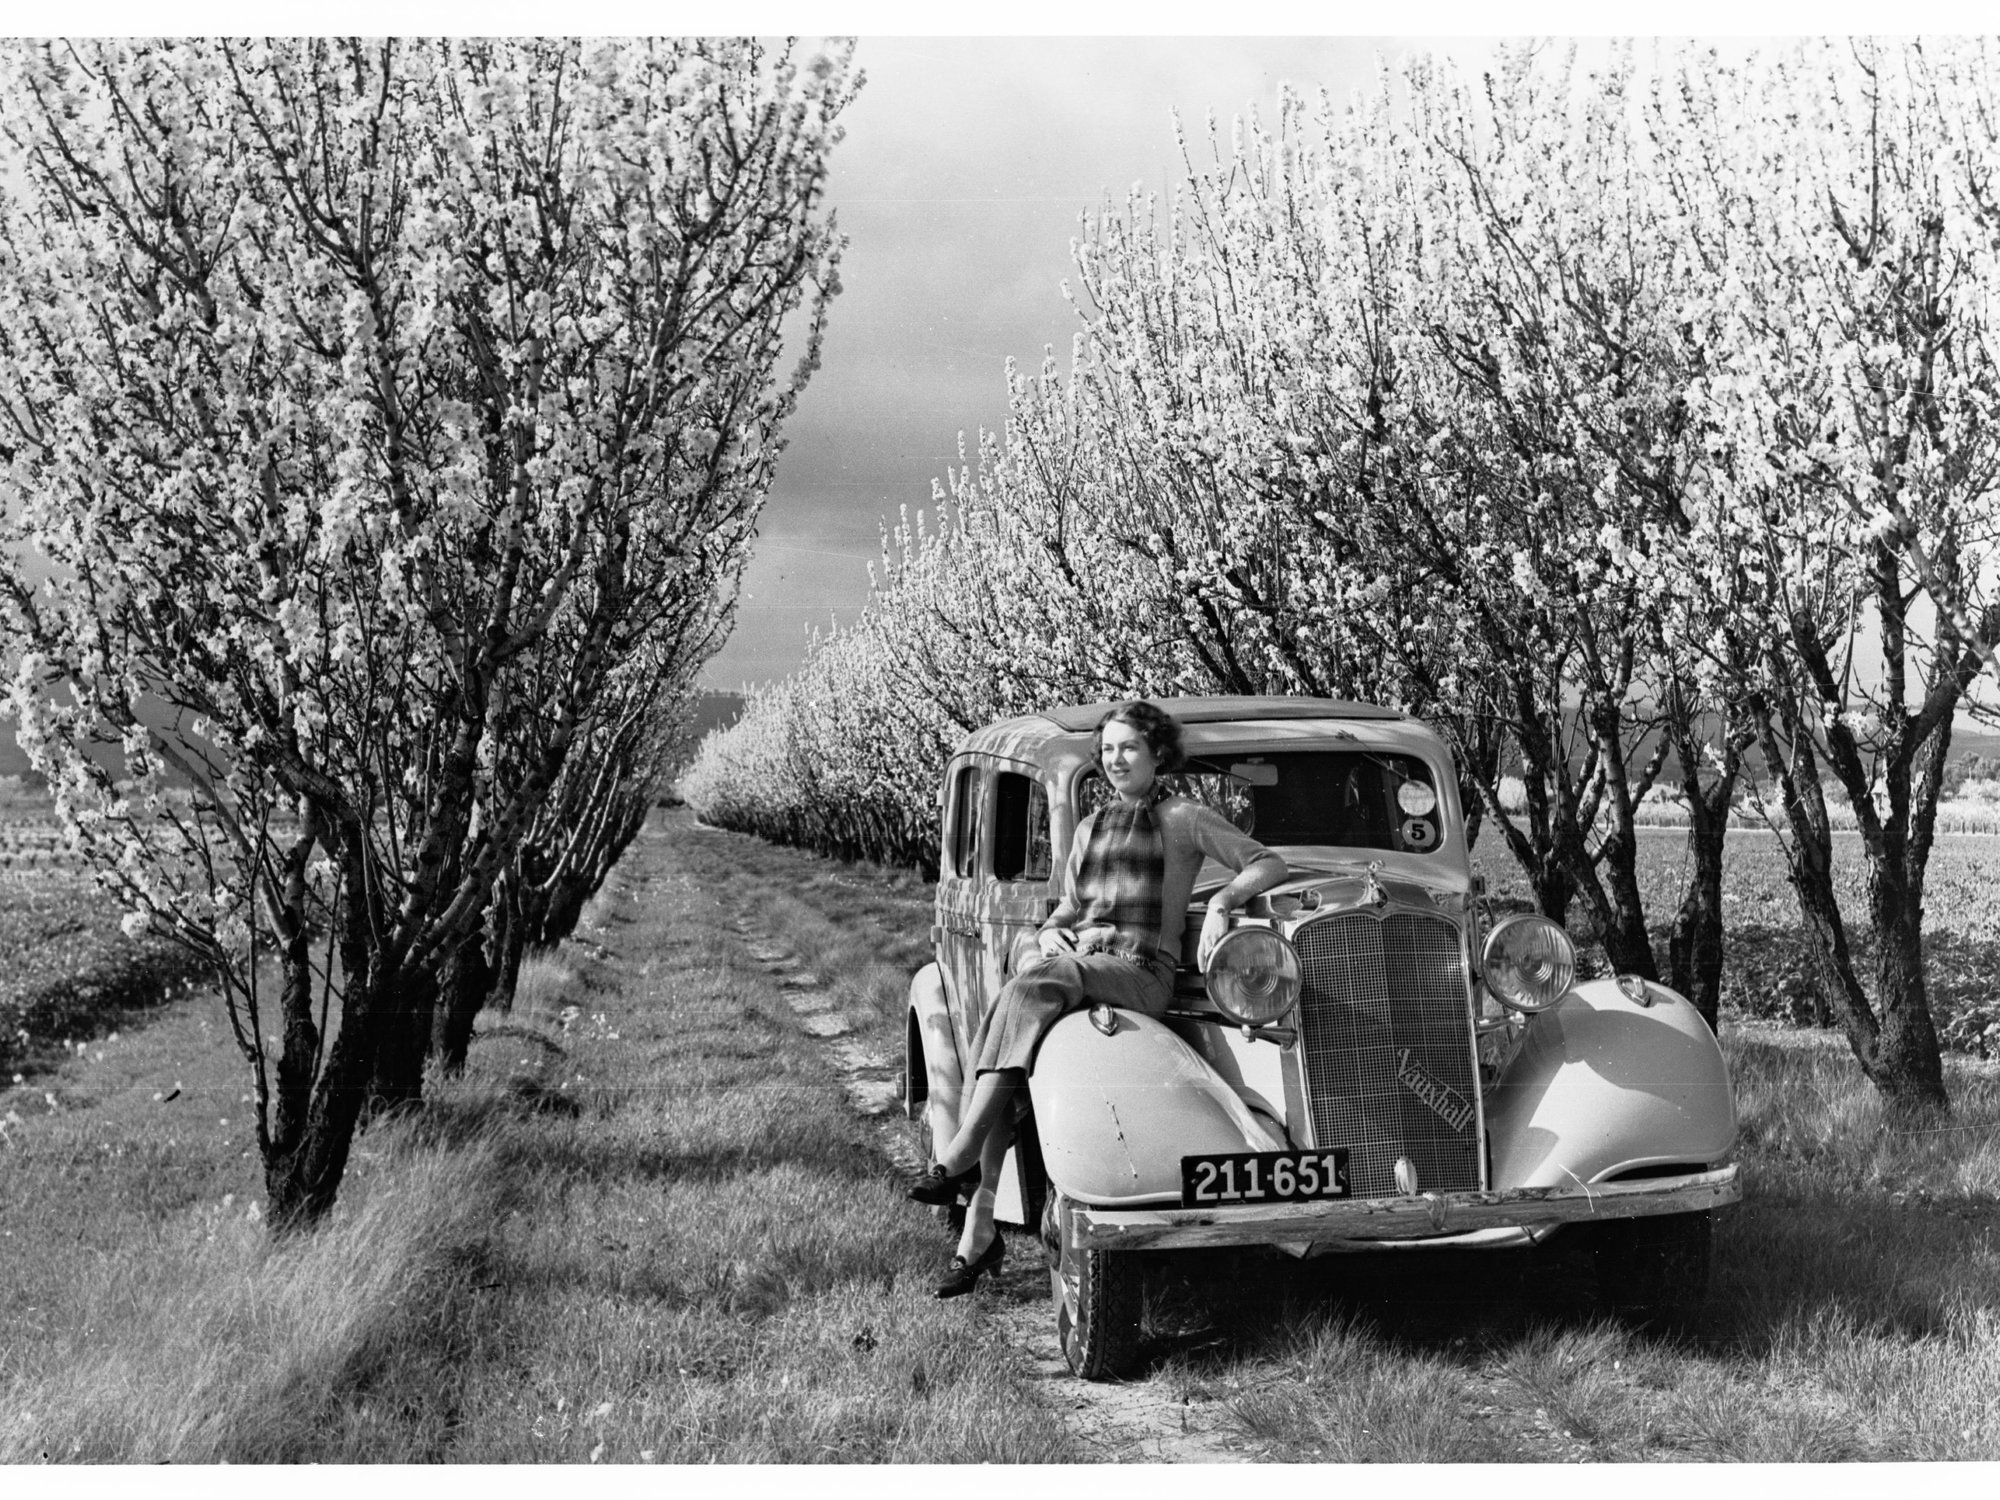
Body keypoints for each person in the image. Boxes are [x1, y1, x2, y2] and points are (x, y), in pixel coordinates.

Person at [912, 699, 1290, 1298]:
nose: (1116, 760)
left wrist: (1222, 903)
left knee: (1033, 985)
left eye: (1129, 749)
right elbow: (1068, 907)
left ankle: (959, 1160)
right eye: (1108, 750)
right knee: (1026, 1012)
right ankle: (977, 1229)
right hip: (1084, 964)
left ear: (1157, 754)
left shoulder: (1184, 817)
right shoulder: (1090, 829)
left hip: (1143, 974)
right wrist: (1049, 931)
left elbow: (1266, 863)